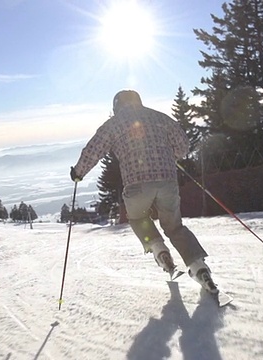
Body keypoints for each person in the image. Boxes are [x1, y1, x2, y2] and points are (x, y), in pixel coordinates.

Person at [70, 90, 217, 293]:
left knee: (139, 219)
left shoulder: (114, 124)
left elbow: (93, 150)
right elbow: (183, 144)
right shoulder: (159, 117)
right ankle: (199, 267)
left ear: (117, 106)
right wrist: (173, 154)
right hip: (167, 180)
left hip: (136, 185)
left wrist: (78, 173)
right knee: (174, 227)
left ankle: (159, 249)